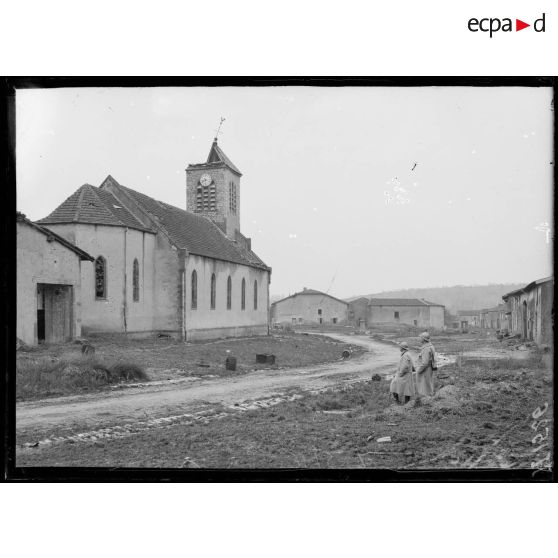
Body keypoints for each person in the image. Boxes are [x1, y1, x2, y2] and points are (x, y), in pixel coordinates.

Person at [415, 331, 436, 396]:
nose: (419, 339)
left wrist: (418, 370)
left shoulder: (426, 348)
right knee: (428, 383)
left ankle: (426, 399)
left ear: (423, 339)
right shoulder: (430, 346)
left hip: (425, 369)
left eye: (420, 337)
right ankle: (429, 397)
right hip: (429, 368)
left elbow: (425, 363)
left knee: (425, 385)